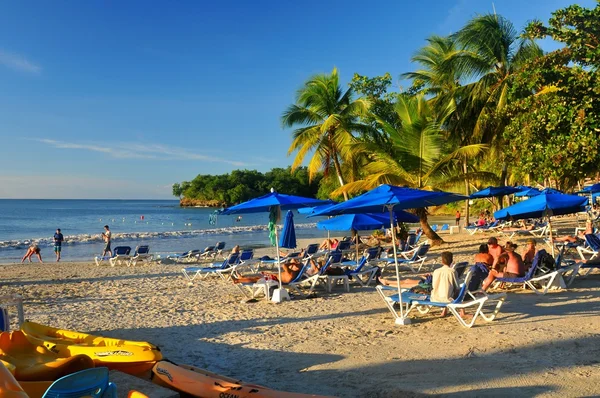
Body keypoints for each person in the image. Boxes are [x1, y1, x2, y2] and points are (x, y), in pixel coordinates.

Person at [430, 251, 459, 316]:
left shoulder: (436, 271)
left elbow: (434, 285)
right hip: (448, 299)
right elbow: (457, 287)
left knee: (445, 289)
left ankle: (444, 311)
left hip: (435, 298)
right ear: (452, 261)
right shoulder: (452, 272)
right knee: (455, 291)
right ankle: (462, 312)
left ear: (442, 261)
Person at [232, 261, 303, 285]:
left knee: (256, 279)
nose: (294, 265)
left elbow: (284, 265)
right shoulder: (294, 273)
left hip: (274, 280)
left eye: (296, 265)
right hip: (275, 278)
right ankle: (242, 278)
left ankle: (237, 280)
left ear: (297, 268)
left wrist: (292, 263)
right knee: (258, 276)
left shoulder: (290, 273)